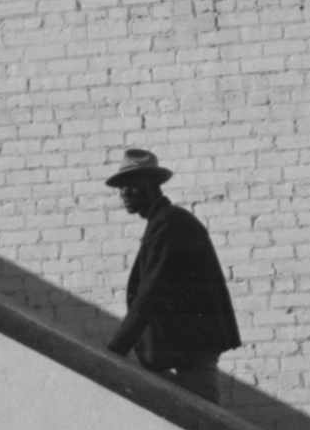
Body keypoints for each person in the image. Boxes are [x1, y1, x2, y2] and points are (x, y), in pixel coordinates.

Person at [103, 149, 241, 403]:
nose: (124, 193)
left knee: (206, 427)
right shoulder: (165, 222)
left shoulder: (170, 224)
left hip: (190, 350)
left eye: (131, 184)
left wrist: (117, 348)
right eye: (121, 186)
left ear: (151, 184)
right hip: (183, 348)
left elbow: (151, 290)